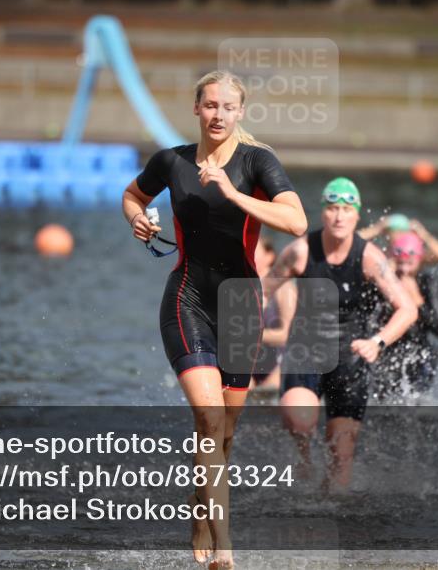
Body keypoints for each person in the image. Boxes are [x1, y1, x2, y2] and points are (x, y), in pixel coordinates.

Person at [122, 70, 307, 568]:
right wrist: (137, 218)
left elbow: (296, 221)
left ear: (240, 112)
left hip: (242, 304)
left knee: (225, 434)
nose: (218, 114)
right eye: (210, 105)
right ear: (197, 109)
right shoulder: (172, 161)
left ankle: (200, 511)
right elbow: (133, 195)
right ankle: (223, 546)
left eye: (228, 106)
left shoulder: (257, 162)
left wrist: (232, 191)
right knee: (208, 418)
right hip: (188, 297)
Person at [272, 178, 416, 490]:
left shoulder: (370, 258)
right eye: (333, 209)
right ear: (323, 213)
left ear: (357, 215)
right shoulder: (300, 252)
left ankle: (332, 520)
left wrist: (378, 341)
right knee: (300, 420)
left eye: (346, 209)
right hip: (305, 350)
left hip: (351, 357)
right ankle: (304, 459)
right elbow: (258, 293)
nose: (339, 216)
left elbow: (407, 309)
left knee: (341, 456)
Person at [372, 232, 438, 399]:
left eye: (410, 263)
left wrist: (417, 300)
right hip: (389, 353)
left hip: (419, 353)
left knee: (416, 400)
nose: (404, 269)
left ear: (420, 260)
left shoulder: (428, 283)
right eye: (401, 263)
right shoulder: (386, 282)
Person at [250, 237, 296, 391]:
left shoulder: (284, 288)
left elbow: (288, 335)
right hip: (248, 359)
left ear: (270, 256)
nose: (247, 252)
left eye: (253, 248)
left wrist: (248, 334)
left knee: (267, 397)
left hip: (281, 361)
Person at [358, 213, 438, 265]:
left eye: (401, 231)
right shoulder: (383, 255)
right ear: (386, 234)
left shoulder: (413, 256)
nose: (398, 235)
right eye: (393, 231)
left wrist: (424, 234)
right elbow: (349, 242)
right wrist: (376, 229)